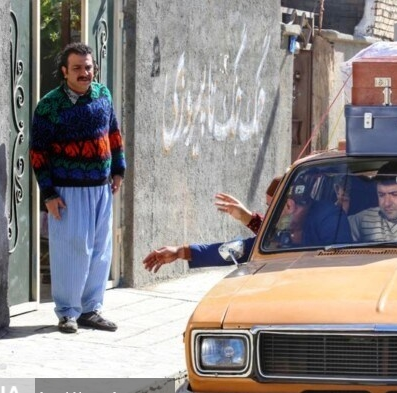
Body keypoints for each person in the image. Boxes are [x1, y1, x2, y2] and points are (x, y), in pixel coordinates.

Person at [30, 42, 125, 334]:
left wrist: (119, 168)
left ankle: (90, 310)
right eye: (78, 68)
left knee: (100, 251)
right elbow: (38, 152)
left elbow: (113, 132)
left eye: (88, 67)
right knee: (72, 250)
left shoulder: (103, 94)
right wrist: (48, 193)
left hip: (101, 188)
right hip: (67, 191)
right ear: (64, 72)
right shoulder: (49, 105)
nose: (85, 73)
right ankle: (67, 313)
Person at [143, 177, 281, 273]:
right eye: (269, 206)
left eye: (277, 206)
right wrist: (179, 252)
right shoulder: (274, 238)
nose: (271, 212)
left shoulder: (294, 239)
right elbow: (231, 250)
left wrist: (250, 219)